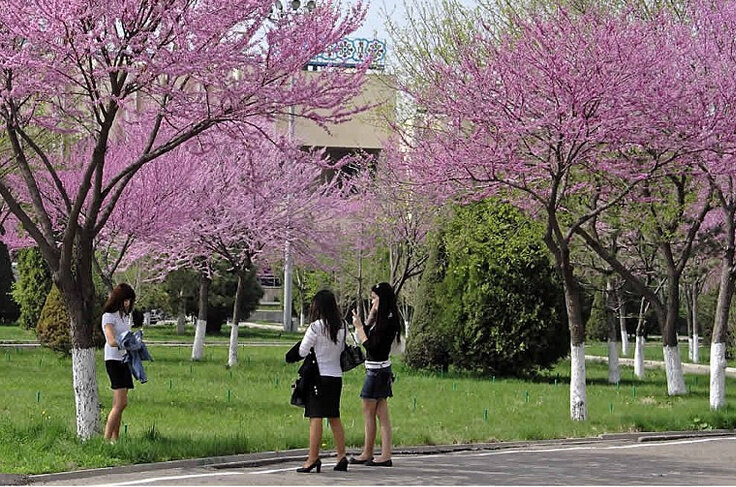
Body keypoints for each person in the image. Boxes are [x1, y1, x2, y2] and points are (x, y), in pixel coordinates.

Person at [296, 289, 349, 473]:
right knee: (334, 416)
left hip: (319, 377)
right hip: (336, 377)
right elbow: (342, 349)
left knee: (315, 417)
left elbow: (302, 351)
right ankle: (342, 455)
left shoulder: (316, 327)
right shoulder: (342, 326)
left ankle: (312, 458)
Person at [350, 282, 401, 467]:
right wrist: (367, 318)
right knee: (382, 414)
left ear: (382, 298)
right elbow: (371, 335)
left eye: (374, 298)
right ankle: (384, 454)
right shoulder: (385, 317)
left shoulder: (386, 321)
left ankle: (368, 452)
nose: (372, 302)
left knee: (368, 412)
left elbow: (371, 346)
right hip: (381, 369)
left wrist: (359, 329)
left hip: (376, 370)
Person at [101, 283, 136, 442]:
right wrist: (124, 343)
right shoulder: (109, 316)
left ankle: (115, 439)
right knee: (121, 403)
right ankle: (106, 439)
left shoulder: (125, 317)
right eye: (125, 300)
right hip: (113, 360)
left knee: (119, 404)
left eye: (129, 300)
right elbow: (111, 340)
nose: (127, 303)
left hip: (124, 359)